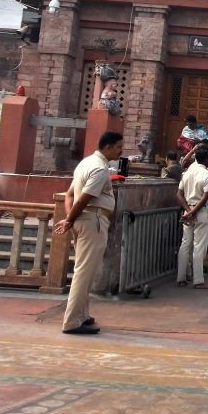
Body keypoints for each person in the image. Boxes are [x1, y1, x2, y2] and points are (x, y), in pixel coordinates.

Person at [53, 131, 124, 334]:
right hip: (92, 220)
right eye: (118, 147)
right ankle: (72, 321)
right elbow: (83, 198)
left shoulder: (85, 163)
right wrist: (69, 219)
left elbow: (70, 195)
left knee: (86, 270)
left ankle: (82, 315)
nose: (120, 151)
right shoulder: (99, 168)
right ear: (108, 147)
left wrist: (71, 219)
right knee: (84, 273)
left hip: (83, 220)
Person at [176, 145, 208, 289]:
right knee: (199, 247)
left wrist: (188, 212)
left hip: (188, 210)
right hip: (201, 212)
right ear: (206, 159)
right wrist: (192, 213)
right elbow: (205, 197)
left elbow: (179, 194)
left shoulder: (187, 173)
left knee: (185, 244)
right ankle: (198, 280)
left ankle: (181, 278)